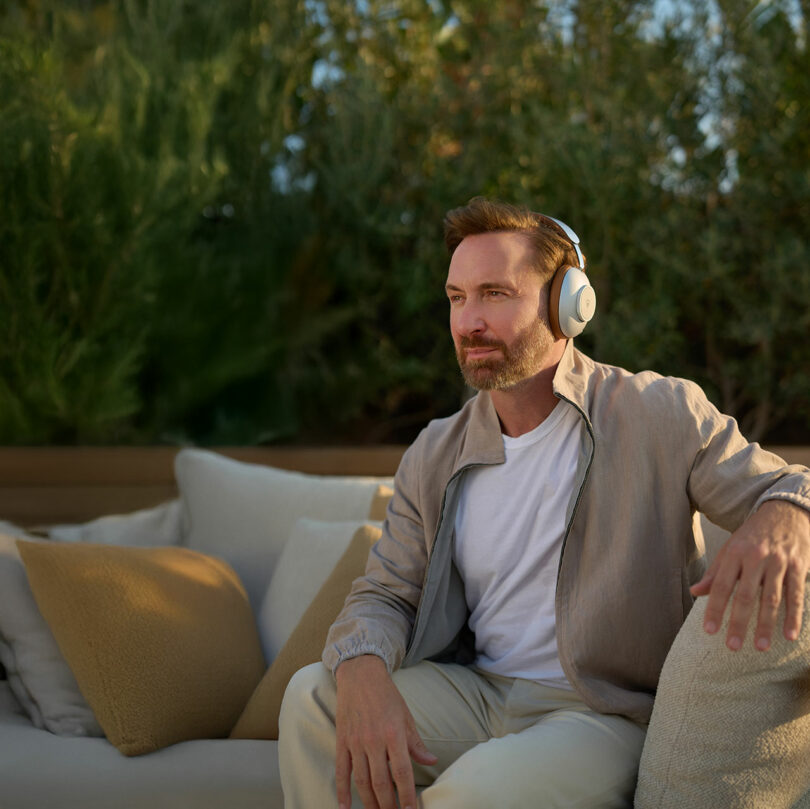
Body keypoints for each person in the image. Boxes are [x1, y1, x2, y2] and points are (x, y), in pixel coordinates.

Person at [278, 197, 810, 809]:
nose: (468, 321)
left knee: (479, 792)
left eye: (495, 294)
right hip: (478, 693)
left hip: (601, 715)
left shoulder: (659, 413)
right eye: (457, 298)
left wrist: (784, 514)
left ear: (568, 305)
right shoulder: (435, 450)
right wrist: (361, 666)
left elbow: (787, 484)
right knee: (312, 697)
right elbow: (386, 592)